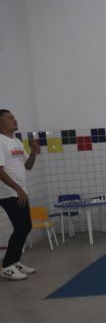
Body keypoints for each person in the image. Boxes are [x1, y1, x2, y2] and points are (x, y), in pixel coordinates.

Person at [0, 109, 39, 281]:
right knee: (22, 227)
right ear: (1, 123)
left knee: (25, 226)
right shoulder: (0, 142)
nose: (14, 120)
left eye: (14, 117)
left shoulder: (16, 141)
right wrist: (17, 189)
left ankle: (14, 261)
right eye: (10, 118)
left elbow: (28, 166)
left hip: (20, 193)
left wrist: (33, 153)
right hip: (8, 194)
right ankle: (7, 266)